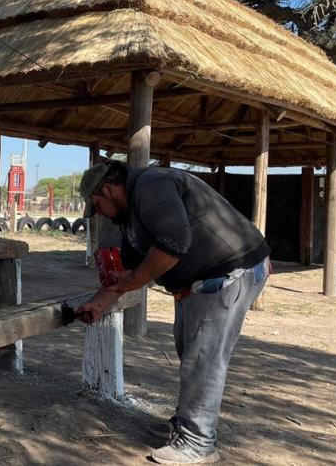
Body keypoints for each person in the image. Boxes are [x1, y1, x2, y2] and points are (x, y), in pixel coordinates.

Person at [76, 160, 269, 465]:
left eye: (96, 205)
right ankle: (187, 424)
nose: (98, 213)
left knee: (202, 357)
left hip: (231, 271)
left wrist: (135, 279)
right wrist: (98, 304)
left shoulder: (151, 186)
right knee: (189, 349)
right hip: (198, 281)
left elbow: (174, 242)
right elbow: (126, 273)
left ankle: (198, 442)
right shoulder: (129, 220)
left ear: (108, 189)